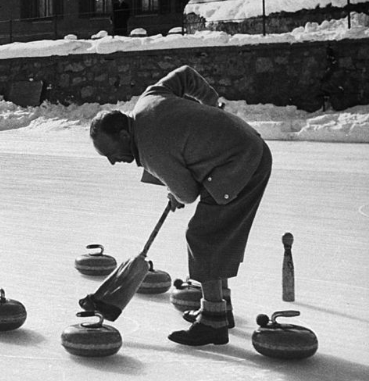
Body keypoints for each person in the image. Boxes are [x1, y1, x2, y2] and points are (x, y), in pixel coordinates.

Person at [88, 65, 272, 346]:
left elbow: (186, 193)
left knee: (203, 238)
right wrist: (211, 105)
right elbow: (186, 74)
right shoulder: (148, 100)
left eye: (111, 154)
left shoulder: (150, 149)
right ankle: (221, 309)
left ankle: (213, 322)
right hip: (244, 149)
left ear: (125, 135)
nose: (114, 162)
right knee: (215, 236)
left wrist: (176, 190)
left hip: (237, 164)